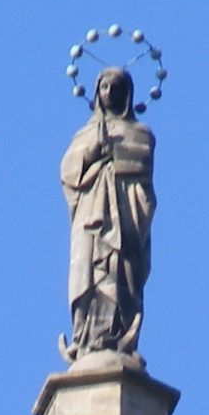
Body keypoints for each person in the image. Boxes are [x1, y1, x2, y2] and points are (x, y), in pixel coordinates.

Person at [59, 67, 156, 358]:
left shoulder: (140, 133)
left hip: (124, 213)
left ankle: (118, 330)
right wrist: (92, 153)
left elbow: (142, 162)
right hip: (91, 216)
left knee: (120, 269)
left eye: (116, 88)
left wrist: (111, 153)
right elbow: (69, 172)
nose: (110, 93)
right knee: (88, 270)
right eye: (104, 87)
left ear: (127, 95)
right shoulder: (84, 135)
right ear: (97, 94)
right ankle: (86, 334)